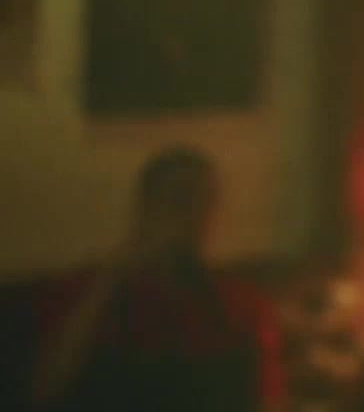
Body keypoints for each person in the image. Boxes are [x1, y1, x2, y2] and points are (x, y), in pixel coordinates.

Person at [30, 147, 285, 411]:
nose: (194, 214)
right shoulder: (90, 291)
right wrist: (111, 276)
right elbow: (45, 387)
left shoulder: (244, 304)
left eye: (206, 201)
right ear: (146, 208)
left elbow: (269, 399)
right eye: (181, 199)